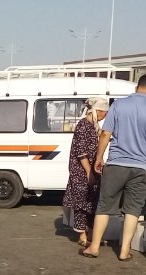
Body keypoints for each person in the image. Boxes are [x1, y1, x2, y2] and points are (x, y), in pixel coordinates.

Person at [80, 74, 146, 261]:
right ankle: (124, 251)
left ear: (138, 86)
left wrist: (99, 157)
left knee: (104, 206)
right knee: (132, 210)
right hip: (141, 167)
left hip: (116, 164)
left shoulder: (118, 105)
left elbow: (105, 134)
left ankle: (94, 247)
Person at [62, 97, 109, 248]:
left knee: (91, 204)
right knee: (81, 204)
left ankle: (91, 234)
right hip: (81, 172)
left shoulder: (93, 126)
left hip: (91, 170)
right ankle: (82, 236)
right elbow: (81, 153)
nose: (105, 116)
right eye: (103, 113)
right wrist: (89, 172)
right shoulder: (83, 125)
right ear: (97, 111)